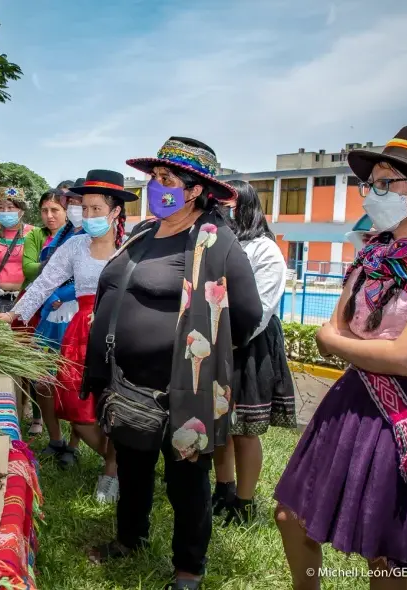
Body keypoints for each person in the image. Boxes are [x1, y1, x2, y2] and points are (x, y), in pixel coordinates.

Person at [273, 126, 407, 590]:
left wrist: (383, 355)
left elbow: (402, 358)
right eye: (371, 182)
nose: (372, 193)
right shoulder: (374, 254)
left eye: (387, 183)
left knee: (386, 552)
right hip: (352, 400)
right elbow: (330, 334)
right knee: (290, 514)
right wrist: (378, 356)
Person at [82, 138, 262, 590]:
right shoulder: (144, 233)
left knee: (186, 480)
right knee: (133, 464)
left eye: (166, 180)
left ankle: (188, 570)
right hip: (128, 382)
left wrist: (204, 352)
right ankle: (130, 539)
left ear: (195, 190)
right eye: (153, 178)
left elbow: (246, 313)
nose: (155, 187)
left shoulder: (215, 240)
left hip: (183, 388)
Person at [0, 170, 135, 503]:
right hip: (81, 334)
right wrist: (16, 315)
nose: (87, 216)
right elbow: (44, 283)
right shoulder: (74, 245)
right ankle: (119, 461)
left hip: (123, 332)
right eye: (84, 208)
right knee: (76, 406)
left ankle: (112, 474)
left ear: (115, 211)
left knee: (116, 407)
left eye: (96, 209)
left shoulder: (133, 248)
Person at [211, 179, 296, 525]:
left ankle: (244, 502)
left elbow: (261, 309)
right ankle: (223, 487)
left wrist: (227, 339)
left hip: (249, 344)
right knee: (218, 423)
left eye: (227, 206)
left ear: (243, 207)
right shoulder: (215, 245)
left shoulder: (264, 250)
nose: (220, 212)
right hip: (216, 340)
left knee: (244, 429)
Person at [21, 181, 81, 443]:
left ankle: (76, 443)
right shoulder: (59, 237)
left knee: (77, 379)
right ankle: (55, 439)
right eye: (75, 203)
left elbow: (93, 278)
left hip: (79, 315)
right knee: (42, 377)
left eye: (82, 203)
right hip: (50, 314)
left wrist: (64, 294)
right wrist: (52, 295)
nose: (78, 208)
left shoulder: (99, 236)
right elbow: (41, 274)